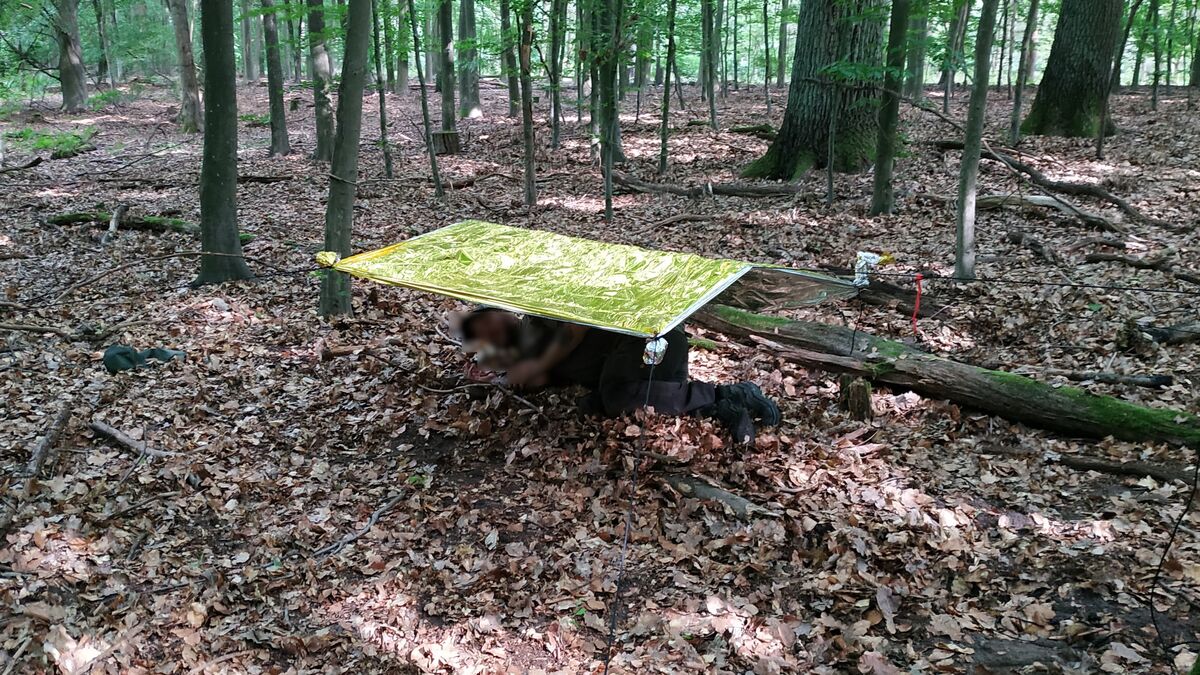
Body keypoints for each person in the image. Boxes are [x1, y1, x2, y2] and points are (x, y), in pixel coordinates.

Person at [454, 307, 781, 443]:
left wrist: (532, 366)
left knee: (614, 398)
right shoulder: (524, 353)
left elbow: (575, 328)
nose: (494, 330)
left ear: (502, 311)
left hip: (650, 342)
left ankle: (725, 397)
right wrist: (496, 380)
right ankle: (725, 399)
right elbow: (539, 381)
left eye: (490, 321)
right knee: (605, 400)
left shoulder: (536, 316)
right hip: (638, 365)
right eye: (486, 334)